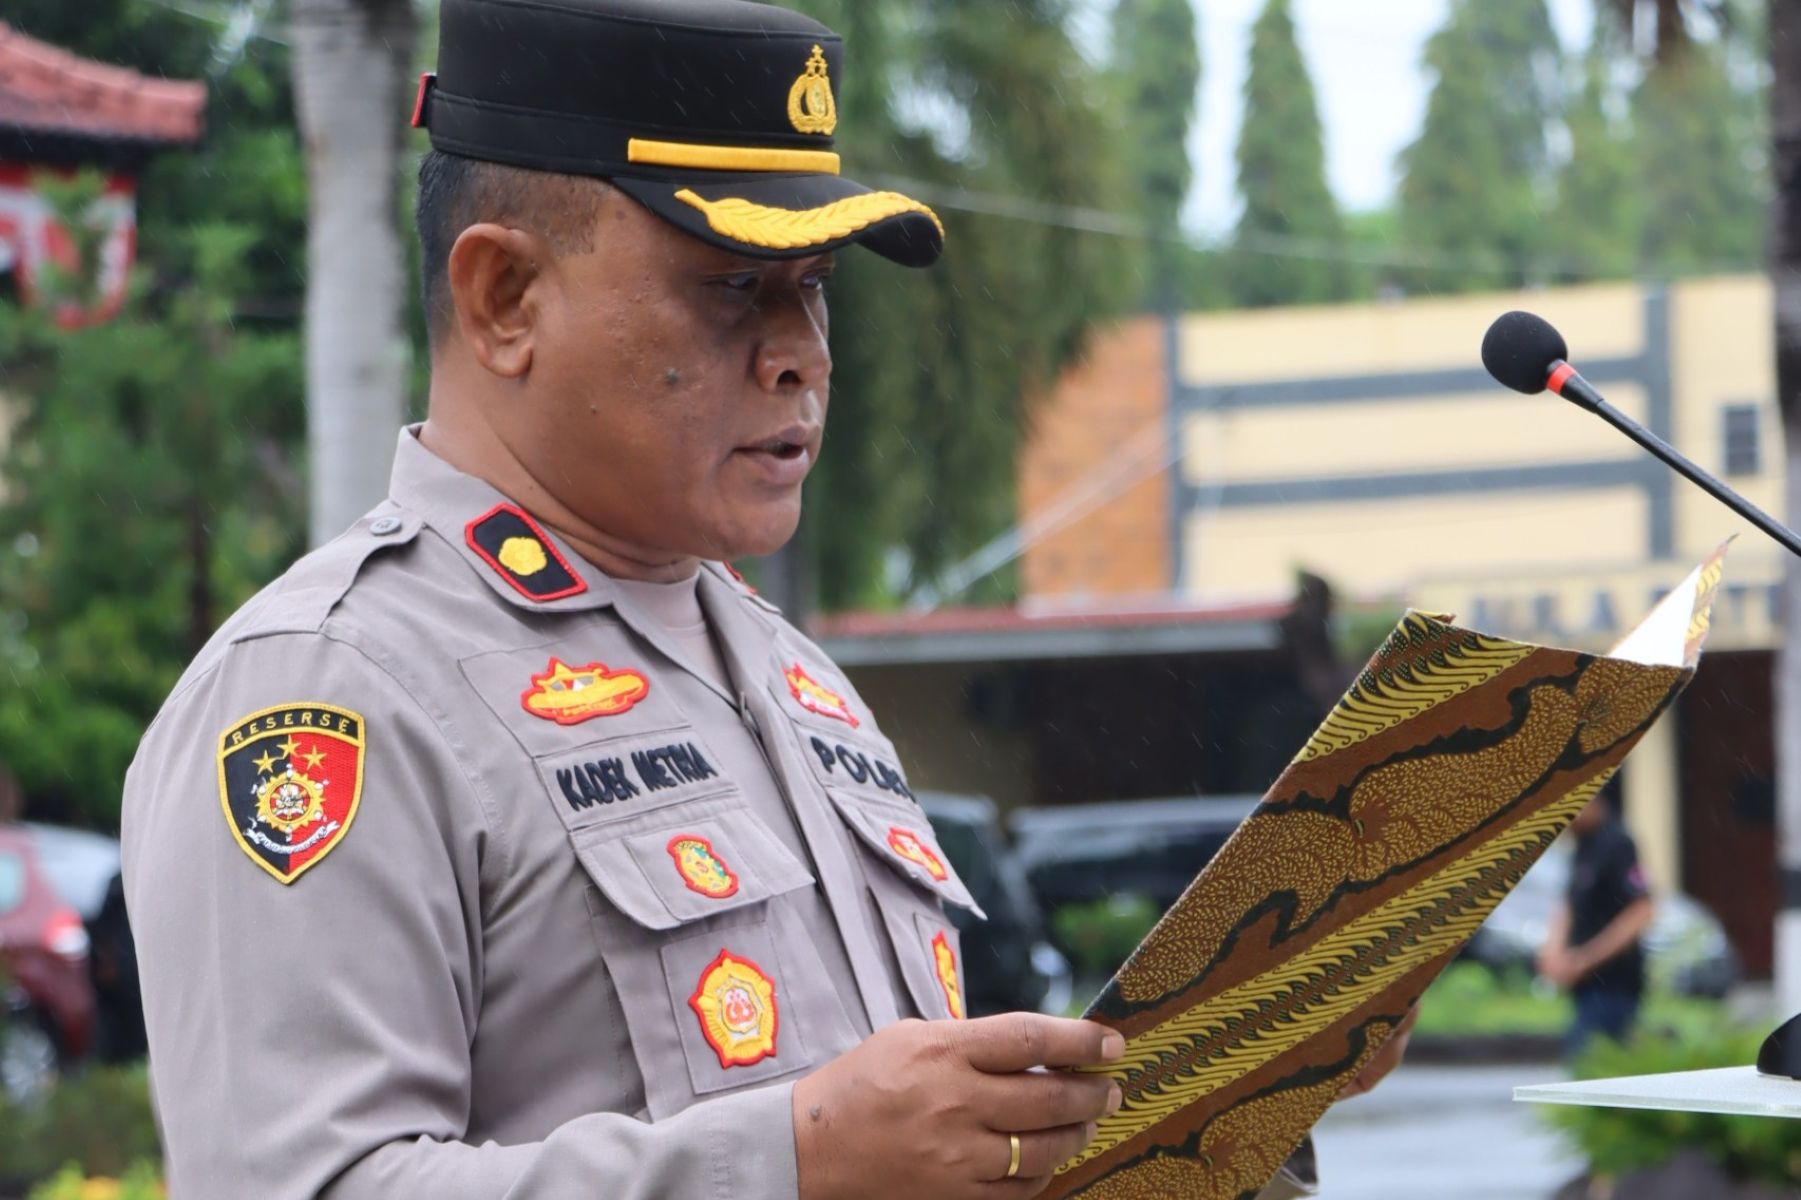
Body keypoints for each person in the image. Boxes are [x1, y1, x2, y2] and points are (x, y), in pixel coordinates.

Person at [120, 1, 1406, 1195]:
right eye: (733, 285)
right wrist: (791, 1160)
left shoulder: (795, 679)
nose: (799, 356)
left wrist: (1208, 1096)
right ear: (503, 297)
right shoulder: (327, 686)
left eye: (815, 291)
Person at [1537, 784, 1655, 1058]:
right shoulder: (1582, 845)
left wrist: (1585, 960)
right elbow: (1569, 903)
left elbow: (1640, 911)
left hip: (1614, 983)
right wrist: (1553, 952)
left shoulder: (1618, 843)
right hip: (1586, 985)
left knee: (1589, 1064)